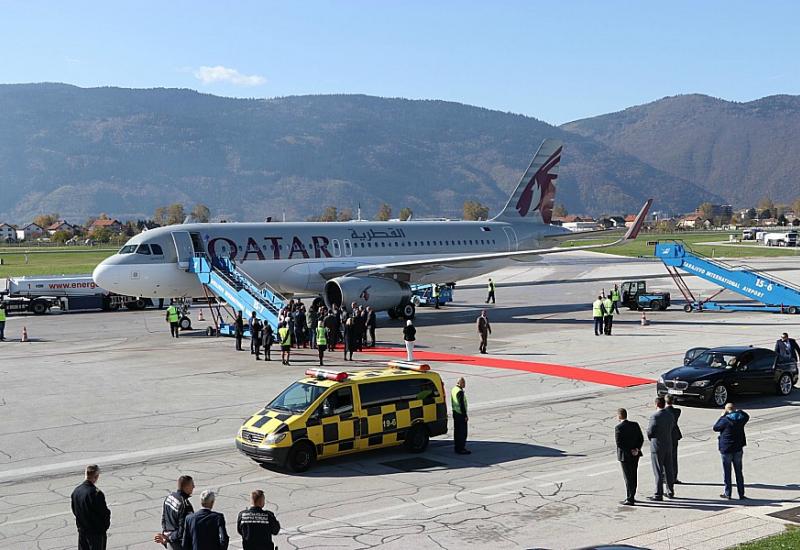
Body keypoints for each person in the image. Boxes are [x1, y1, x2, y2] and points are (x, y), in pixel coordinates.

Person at [713, 402, 750, 499]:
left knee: (727, 472)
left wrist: (721, 416)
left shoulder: (725, 420)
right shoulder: (741, 418)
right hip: (738, 448)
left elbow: (715, 428)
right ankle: (741, 493)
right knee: (739, 471)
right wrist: (738, 411)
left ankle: (728, 493)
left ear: (726, 410)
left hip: (726, 448)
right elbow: (747, 416)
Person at [71, 464, 111, 550]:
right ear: (96, 476)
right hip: (95, 533)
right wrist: (104, 528)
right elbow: (104, 513)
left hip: (82, 531)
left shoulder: (76, 491)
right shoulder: (96, 493)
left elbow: (74, 510)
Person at [646, 396, 675, 501]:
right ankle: (670, 491)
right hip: (668, 443)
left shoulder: (655, 416)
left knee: (658, 470)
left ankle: (658, 493)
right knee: (668, 469)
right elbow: (672, 426)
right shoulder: (669, 415)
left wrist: (651, 438)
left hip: (657, 445)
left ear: (657, 404)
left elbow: (650, 431)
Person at [155, 475, 195, 550]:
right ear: (186, 487)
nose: (194, 487)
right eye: (192, 485)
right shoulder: (185, 505)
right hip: (179, 544)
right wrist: (169, 538)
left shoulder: (169, 497)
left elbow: (164, 518)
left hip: (169, 542)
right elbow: (183, 530)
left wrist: (165, 534)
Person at [615, 408, 644, 505]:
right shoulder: (634, 424)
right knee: (634, 475)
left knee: (628, 477)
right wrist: (636, 449)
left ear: (619, 416)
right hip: (635, 454)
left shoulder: (619, 428)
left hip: (625, 456)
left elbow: (619, 443)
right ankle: (632, 495)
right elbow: (641, 438)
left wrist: (629, 451)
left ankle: (630, 498)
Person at [665, 395, 683, 484]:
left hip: (666, 436)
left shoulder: (664, 412)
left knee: (665, 457)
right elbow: (678, 410)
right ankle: (674, 476)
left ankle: (665, 476)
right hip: (674, 435)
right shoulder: (676, 411)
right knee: (674, 457)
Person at [451, 377, 470, 454]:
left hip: (455, 413)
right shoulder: (459, 392)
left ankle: (457, 447)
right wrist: (465, 415)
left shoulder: (454, 389)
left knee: (457, 431)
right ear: (459, 383)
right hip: (460, 414)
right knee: (462, 432)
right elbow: (461, 404)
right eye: (463, 383)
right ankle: (461, 448)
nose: (464, 384)